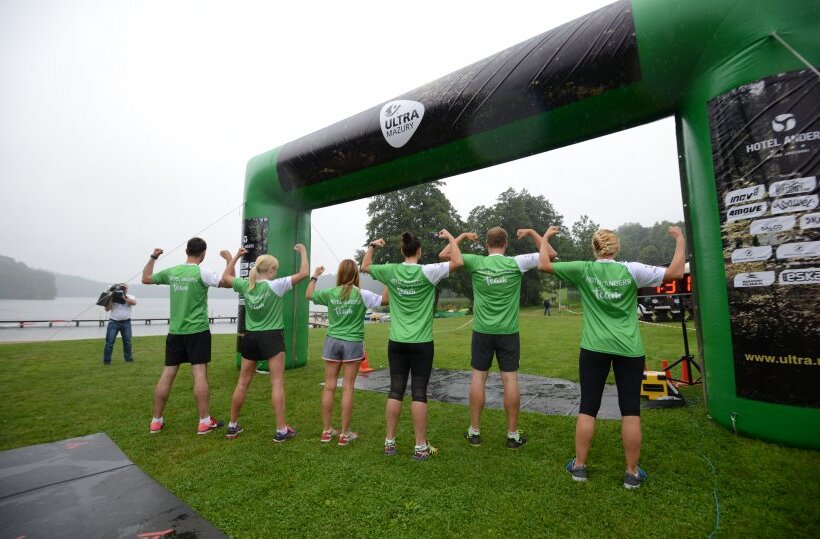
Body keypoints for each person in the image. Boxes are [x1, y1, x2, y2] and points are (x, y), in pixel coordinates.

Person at [538, 226, 685, 489]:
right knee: (630, 410)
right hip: (629, 350)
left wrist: (546, 238)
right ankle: (631, 474)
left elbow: (543, 265)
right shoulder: (632, 270)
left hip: (594, 348)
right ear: (616, 248)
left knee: (588, 407)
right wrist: (680, 240)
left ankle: (580, 467)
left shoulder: (584, 269)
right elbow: (675, 273)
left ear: (594, 248)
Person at [439, 227, 558, 449]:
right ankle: (512, 435)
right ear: (506, 244)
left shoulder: (476, 262)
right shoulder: (517, 262)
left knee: (478, 378)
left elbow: (445, 255)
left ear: (486, 244)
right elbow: (549, 254)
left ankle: (474, 432)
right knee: (510, 380)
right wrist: (533, 233)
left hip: (482, 331)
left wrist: (462, 237)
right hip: (508, 332)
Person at [361, 230, 462, 461]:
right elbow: (457, 261)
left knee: (395, 390)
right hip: (422, 343)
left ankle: (389, 442)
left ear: (401, 251)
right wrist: (451, 239)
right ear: (419, 251)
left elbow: (365, 266)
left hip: (397, 342)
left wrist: (373, 246)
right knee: (419, 392)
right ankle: (419, 447)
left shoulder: (391, 270)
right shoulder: (429, 271)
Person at [141, 237, 232, 435]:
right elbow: (228, 282)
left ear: (187, 252)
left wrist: (153, 257)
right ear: (203, 253)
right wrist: (229, 260)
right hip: (197, 331)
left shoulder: (173, 272)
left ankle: (156, 421)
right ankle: (204, 421)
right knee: (199, 374)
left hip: (175, 332)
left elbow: (146, 278)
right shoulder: (203, 272)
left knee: (168, 374)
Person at [221, 244, 309, 441]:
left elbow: (226, 277)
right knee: (277, 382)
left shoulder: (246, 285)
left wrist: (235, 256)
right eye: (275, 269)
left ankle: (232, 426)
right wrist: (303, 251)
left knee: (242, 383)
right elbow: (304, 273)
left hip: (251, 336)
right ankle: (281, 430)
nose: (275, 273)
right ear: (270, 270)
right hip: (271, 337)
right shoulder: (275, 285)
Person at [306, 260, 388, 446]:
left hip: (332, 342)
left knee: (329, 386)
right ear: (356, 275)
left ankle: (327, 432)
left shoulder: (330, 293)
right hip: (352, 343)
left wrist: (315, 276)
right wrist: (386, 279)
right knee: (348, 387)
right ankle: (344, 434)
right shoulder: (361, 294)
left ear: (340, 274)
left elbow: (308, 294)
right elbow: (385, 300)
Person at [102, 283, 137, 364]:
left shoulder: (130, 296)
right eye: (121, 288)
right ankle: (106, 361)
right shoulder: (113, 297)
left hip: (126, 322)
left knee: (127, 342)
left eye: (124, 288)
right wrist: (110, 298)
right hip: (113, 322)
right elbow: (107, 309)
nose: (123, 289)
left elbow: (134, 303)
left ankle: (128, 359)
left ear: (127, 289)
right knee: (109, 342)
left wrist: (124, 298)